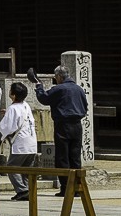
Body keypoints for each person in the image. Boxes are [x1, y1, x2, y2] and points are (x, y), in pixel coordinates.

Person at [30, 64, 88, 193]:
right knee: (75, 157)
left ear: (59, 76)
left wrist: (39, 86)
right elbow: (85, 107)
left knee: (62, 157)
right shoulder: (78, 89)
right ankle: (77, 187)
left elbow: (44, 99)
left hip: (63, 124)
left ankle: (66, 188)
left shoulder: (59, 89)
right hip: (77, 125)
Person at [0, 81, 39, 201]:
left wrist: (1, 134)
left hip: (21, 143)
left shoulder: (13, 108)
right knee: (26, 169)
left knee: (12, 167)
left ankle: (22, 190)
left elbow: (8, 127)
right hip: (31, 142)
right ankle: (27, 190)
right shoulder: (26, 105)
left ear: (13, 95)